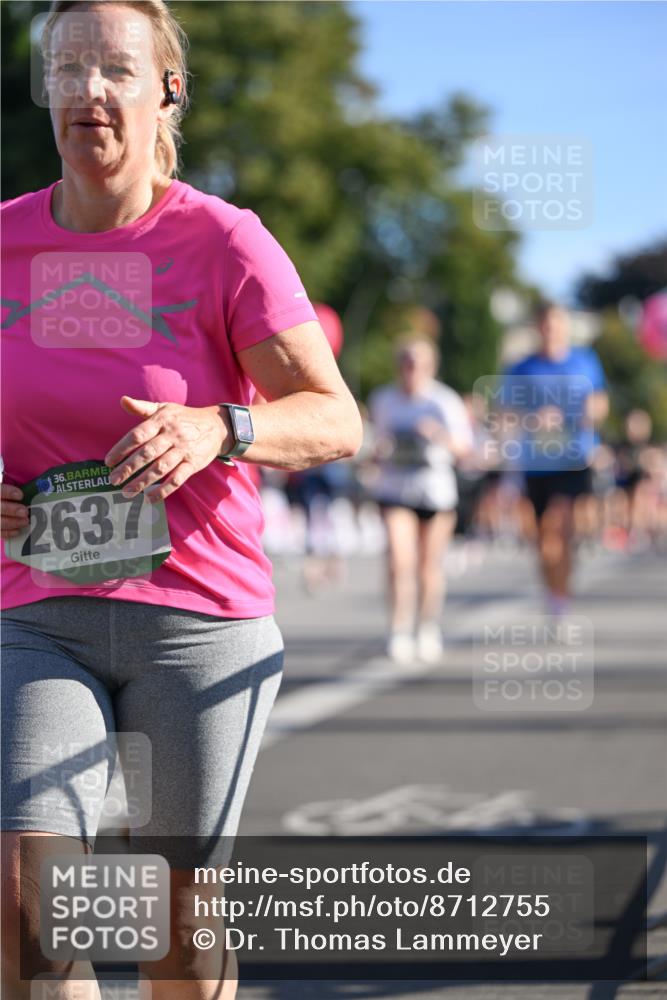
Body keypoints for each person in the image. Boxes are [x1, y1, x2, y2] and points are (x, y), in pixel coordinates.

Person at [0, 2, 362, 998]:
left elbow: (335, 420)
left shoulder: (224, 242)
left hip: (197, 622)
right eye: (66, 69)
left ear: (167, 92)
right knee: (30, 908)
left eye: (115, 69)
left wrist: (221, 427)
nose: (88, 91)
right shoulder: (3, 245)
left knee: (181, 932)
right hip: (37, 615)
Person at [367, 334, 472, 663]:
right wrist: (379, 451)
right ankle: (398, 629)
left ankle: (426, 627)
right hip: (395, 490)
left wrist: (437, 435)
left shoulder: (443, 401)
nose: (412, 369)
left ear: (431, 366)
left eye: (419, 363)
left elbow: (465, 449)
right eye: (406, 362)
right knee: (399, 561)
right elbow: (374, 445)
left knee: (428, 565)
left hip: (435, 492)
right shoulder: (383, 399)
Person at [500, 300, 608, 615]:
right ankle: (556, 591)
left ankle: (560, 601)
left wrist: (589, 413)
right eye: (546, 324)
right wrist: (534, 419)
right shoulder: (521, 368)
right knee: (544, 542)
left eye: (557, 323)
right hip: (536, 463)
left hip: (574, 459)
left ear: (565, 327)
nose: (551, 330)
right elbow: (506, 413)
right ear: (538, 327)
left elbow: (600, 403)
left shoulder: (584, 361)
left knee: (557, 528)